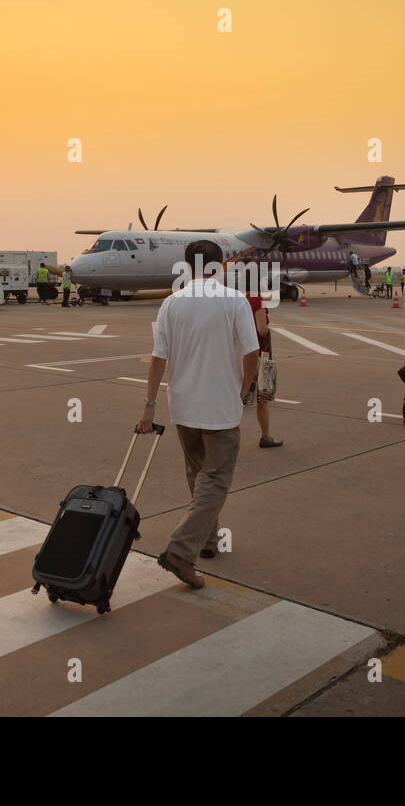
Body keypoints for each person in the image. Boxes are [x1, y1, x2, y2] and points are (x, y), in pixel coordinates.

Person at [138, 240, 260, 587]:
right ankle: (180, 550)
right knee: (216, 480)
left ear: (188, 266)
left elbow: (158, 357)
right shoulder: (233, 300)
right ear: (220, 265)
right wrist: (243, 390)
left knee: (197, 474)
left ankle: (208, 540)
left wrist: (149, 406)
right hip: (220, 406)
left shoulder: (171, 303)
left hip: (184, 406)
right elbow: (252, 352)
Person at [244, 270, 282, 448]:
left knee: (240, 399)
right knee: (262, 399)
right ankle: (266, 436)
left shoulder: (242, 299)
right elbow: (262, 329)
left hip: (242, 355)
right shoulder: (257, 301)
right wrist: (268, 330)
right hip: (258, 356)